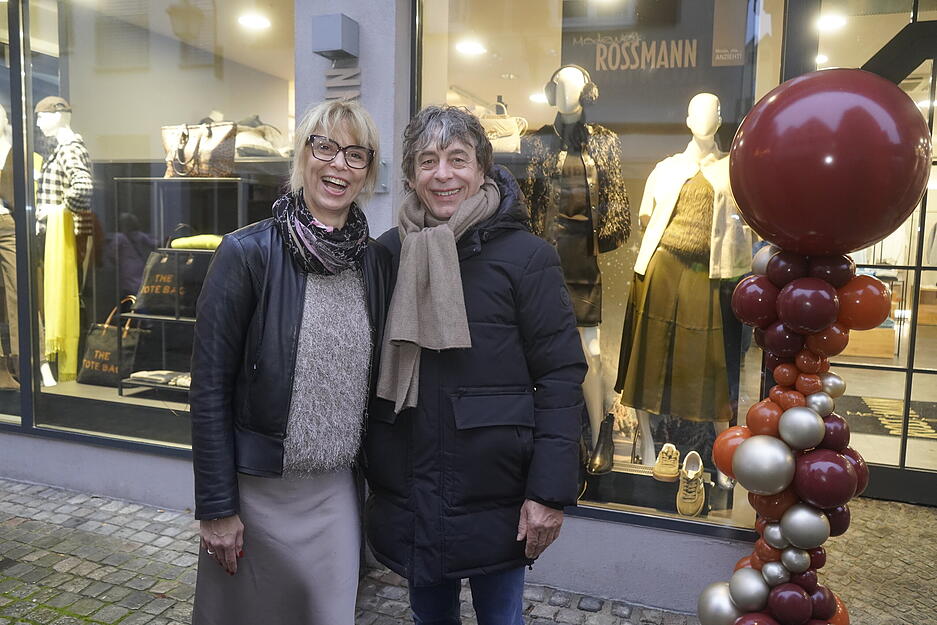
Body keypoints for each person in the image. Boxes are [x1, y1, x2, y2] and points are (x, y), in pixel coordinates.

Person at [367, 105, 587, 624]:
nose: (442, 174)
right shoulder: (388, 253)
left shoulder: (528, 257)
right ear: (411, 174)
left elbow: (559, 377)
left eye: (457, 159)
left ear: (482, 169)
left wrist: (548, 493)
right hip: (413, 491)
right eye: (427, 161)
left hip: (499, 497)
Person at [189, 100, 391, 625]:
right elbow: (208, 388)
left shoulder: (373, 262)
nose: (338, 165)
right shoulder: (246, 253)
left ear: (368, 171)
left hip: (333, 498)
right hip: (254, 497)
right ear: (302, 156)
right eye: (324, 147)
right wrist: (216, 508)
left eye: (355, 154)